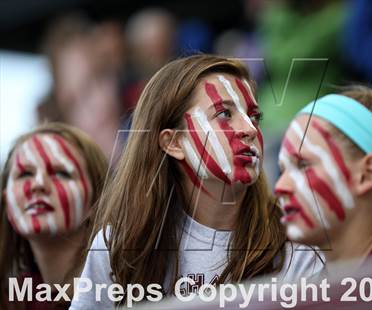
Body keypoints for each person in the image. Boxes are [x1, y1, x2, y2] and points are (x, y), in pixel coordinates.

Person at [71, 55, 322, 308]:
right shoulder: (119, 246)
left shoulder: (297, 248)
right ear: (173, 142)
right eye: (224, 113)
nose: (249, 129)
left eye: (254, 116)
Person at [274, 86, 372, 273]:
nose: (279, 186)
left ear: (367, 174)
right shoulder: (313, 291)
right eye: (283, 170)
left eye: (303, 165)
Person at [0, 123, 108, 309]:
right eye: (25, 174)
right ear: (6, 199)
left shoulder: (122, 286)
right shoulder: (11, 300)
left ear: (96, 199)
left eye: (61, 173)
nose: (38, 184)